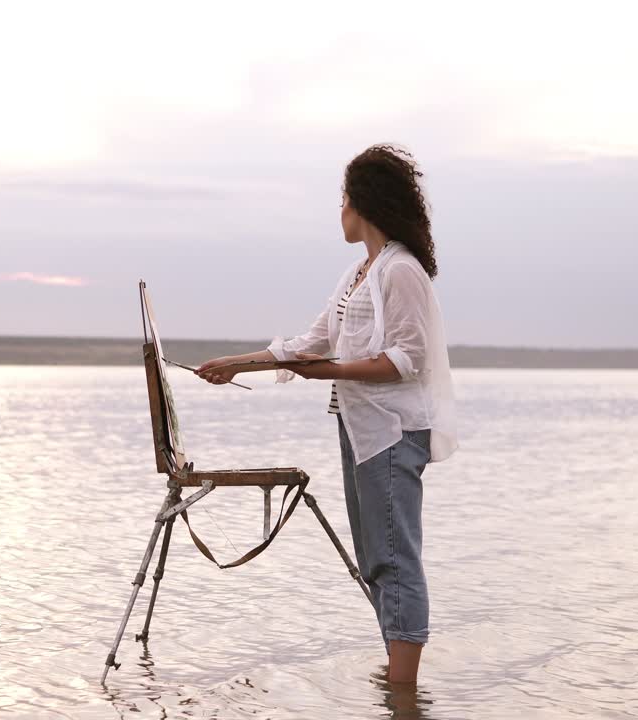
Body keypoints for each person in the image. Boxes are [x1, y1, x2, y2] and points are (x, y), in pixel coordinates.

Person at [196, 144, 457, 685]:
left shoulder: (401, 271)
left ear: (362, 203)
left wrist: (330, 372)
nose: (339, 211)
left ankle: (403, 690)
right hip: (359, 430)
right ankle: (397, 688)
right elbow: (309, 344)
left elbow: (407, 360)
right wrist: (236, 364)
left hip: (392, 432)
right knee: (374, 557)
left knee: (395, 558)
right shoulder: (359, 273)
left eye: (342, 200)